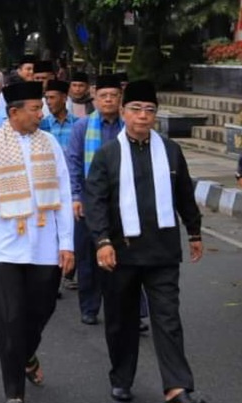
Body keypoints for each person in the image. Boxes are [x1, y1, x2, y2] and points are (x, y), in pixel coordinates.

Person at [84, 80, 206, 403]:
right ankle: (121, 378)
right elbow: (95, 201)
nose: (142, 116)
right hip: (119, 253)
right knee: (121, 321)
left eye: (149, 111)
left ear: (156, 115)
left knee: (168, 319)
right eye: (136, 109)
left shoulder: (170, 150)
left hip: (162, 250)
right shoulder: (107, 155)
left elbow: (185, 195)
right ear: (123, 112)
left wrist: (194, 232)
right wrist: (102, 241)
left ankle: (177, 386)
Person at [0, 81, 74, 403]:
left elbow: (65, 196)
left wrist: (66, 243)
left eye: (41, 108)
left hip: (43, 245)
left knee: (41, 309)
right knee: (9, 319)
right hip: (1, 247)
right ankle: (15, 394)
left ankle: (26, 354)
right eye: (35, 109)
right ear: (13, 112)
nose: (41, 114)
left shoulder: (51, 145)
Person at [68, 74, 127, 326]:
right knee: (88, 258)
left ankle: (131, 310)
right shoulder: (83, 126)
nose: (109, 100)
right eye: (103, 95)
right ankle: (89, 307)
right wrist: (75, 196)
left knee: (127, 257)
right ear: (95, 97)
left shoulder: (128, 125)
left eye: (113, 95)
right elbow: (73, 163)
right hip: (90, 201)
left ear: (120, 99)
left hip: (124, 201)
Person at [40, 79, 79, 152]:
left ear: (64, 98)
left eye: (52, 98)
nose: (48, 102)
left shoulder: (78, 124)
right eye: (46, 98)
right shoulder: (42, 125)